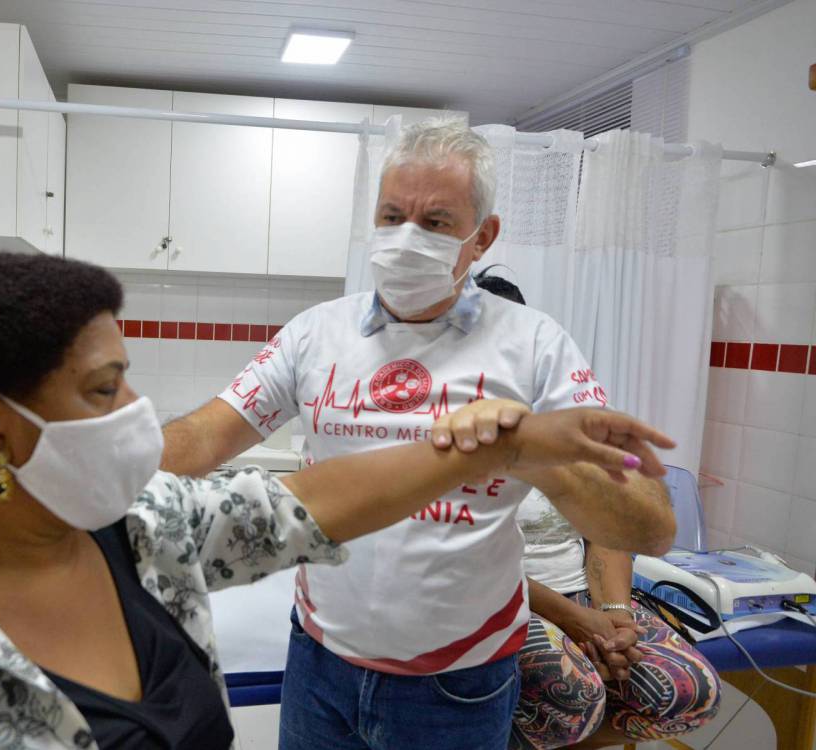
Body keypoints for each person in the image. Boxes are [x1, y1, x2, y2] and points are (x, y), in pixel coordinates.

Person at [0, 252, 674, 750]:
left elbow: (318, 499)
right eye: (103, 389)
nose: (136, 414)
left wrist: (503, 439)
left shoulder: (145, 531)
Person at [160, 119, 678, 750]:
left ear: (481, 236)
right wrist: (90, 464)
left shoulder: (535, 345)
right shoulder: (315, 334)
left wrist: (523, 447)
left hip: (457, 684)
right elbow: (202, 439)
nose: (406, 239)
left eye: (435, 222)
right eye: (392, 215)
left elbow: (648, 527)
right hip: (320, 662)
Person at [472, 270, 721, 750]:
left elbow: (608, 531)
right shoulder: (451, 440)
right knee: (577, 696)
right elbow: (467, 564)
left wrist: (617, 615)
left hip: (585, 599)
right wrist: (574, 620)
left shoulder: (567, 427)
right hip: (505, 605)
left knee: (692, 692)